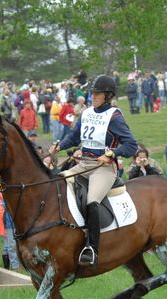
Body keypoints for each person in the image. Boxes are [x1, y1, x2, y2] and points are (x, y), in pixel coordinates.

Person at [49, 75, 138, 267]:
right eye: (93, 93)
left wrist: (111, 155)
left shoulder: (114, 117)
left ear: (108, 95)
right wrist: (59, 146)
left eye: (97, 93)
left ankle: (92, 248)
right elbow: (74, 137)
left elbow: (131, 145)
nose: (93, 96)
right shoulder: (87, 112)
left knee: (92, 201)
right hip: (83, 164)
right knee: (56, 184)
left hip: (103, 169)